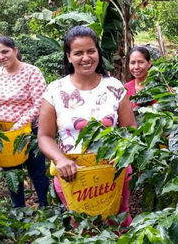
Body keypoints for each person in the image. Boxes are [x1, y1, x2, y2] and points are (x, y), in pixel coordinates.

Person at [37, 26, 136, 226]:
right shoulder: (55, 90)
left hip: (112, 171)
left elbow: (130, 128)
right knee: (83, 226)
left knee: (118, 219)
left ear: (98, 52)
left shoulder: (114, 87)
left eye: (91, 51)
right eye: (78, 53)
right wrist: (60, 159)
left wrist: (122, 153)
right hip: (73, 175)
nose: (86, 57)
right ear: (69, 56)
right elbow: (44, 136)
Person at [0, 36, 50, 208]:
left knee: (37, 171)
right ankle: (18, 209)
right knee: (11, 171)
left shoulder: (32, 72)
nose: (1, 57)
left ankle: (45, 207)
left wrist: (18, 126)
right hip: (4, 133)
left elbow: (40, 103)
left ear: (15, 50)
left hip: (29, 132)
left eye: (5, 51)